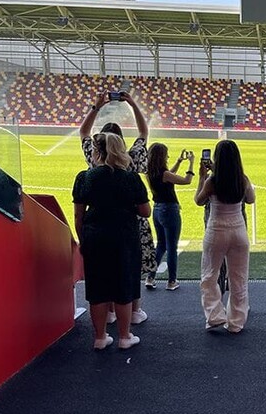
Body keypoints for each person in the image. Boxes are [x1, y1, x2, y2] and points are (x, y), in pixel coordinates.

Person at [79, 91, 152, 325]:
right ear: (120, 141)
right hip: (130, 225)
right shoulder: (130, 162)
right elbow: (143, 133)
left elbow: (83, 133)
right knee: (130, 269)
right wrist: (133, 104)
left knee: (103, 270)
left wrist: (95, 107)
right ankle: (134, 311)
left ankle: (109, 312)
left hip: (99, 224)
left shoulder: (93, 163)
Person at [73, 133, 150, 350]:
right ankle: (125, 336)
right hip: (123, 236)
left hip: (95, 236)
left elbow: (78, 215)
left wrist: (83, 238)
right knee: (123, 285)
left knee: (97, 288)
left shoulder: (84, 177)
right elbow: (145, 211)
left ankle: (100, 337)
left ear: (97, 152)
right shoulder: (131, 178)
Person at [195, 140, 255, 333]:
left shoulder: (212, 181)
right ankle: (236, 322)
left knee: (209, 275)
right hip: (239, 231)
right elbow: (251, 199)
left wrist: (202, 178)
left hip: (216, 231)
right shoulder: (242, 178)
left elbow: (198, 200)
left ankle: (215, 316)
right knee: (239, 278)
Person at [145, 144, 195, 291]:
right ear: (161, 156)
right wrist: (191, 162)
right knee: (172, 247)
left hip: (157, 209)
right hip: (169, 210)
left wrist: (179, 162)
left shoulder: (151, 173)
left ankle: (150, 277)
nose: (167, 157)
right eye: (166, 154)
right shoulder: (164, 174)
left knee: (161, 245)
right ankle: (172, 281)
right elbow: (187, 180)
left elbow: (169, 176)